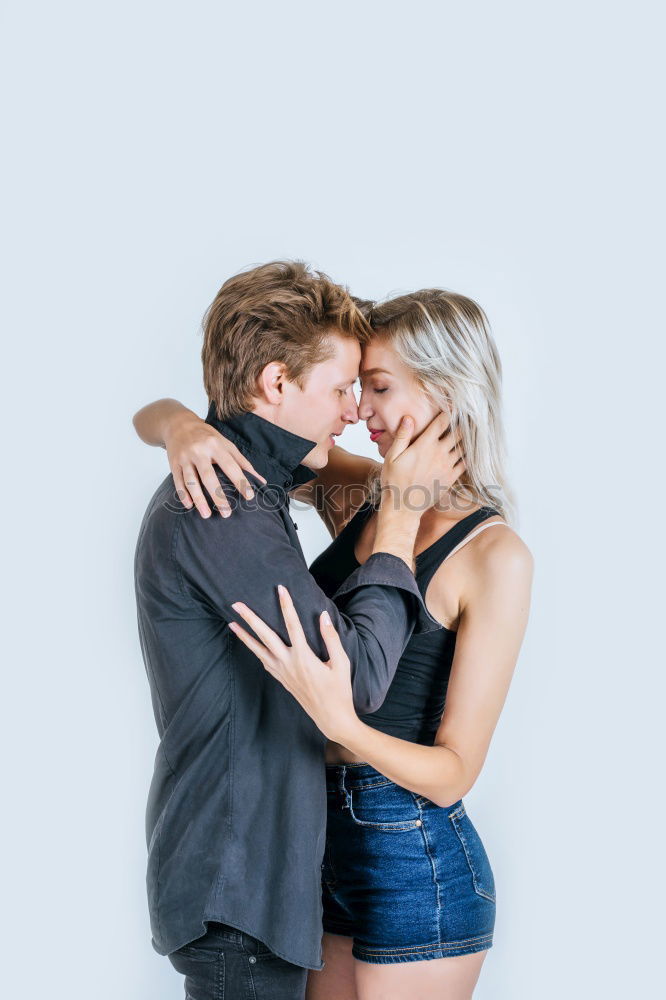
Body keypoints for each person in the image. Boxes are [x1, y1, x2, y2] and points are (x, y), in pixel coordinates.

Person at [142, 287, 533, 999]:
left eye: (378, 387)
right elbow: (248, 450)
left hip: (412, 856)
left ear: (447, 393)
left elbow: (454, 771)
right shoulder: (366, 495)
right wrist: (176, 425)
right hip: (312, 849)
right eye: (354, 387)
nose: (361, 411)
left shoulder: (496, 555)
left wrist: (343, 725)